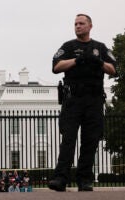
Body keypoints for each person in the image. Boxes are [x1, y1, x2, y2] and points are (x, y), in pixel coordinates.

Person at [49, 14, 117, 192]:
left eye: (81, 23)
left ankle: (84, 179)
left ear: (90, 26)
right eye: (75, 24)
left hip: (93, 100)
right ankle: (60, 178)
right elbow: (56, 66)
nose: (77, 26)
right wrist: (77, 60)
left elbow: (113, 69)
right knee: (68, 139)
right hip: (73, 100)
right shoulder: (68, 46)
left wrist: (99, 61)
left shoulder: (100, 47)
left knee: (91, 140)